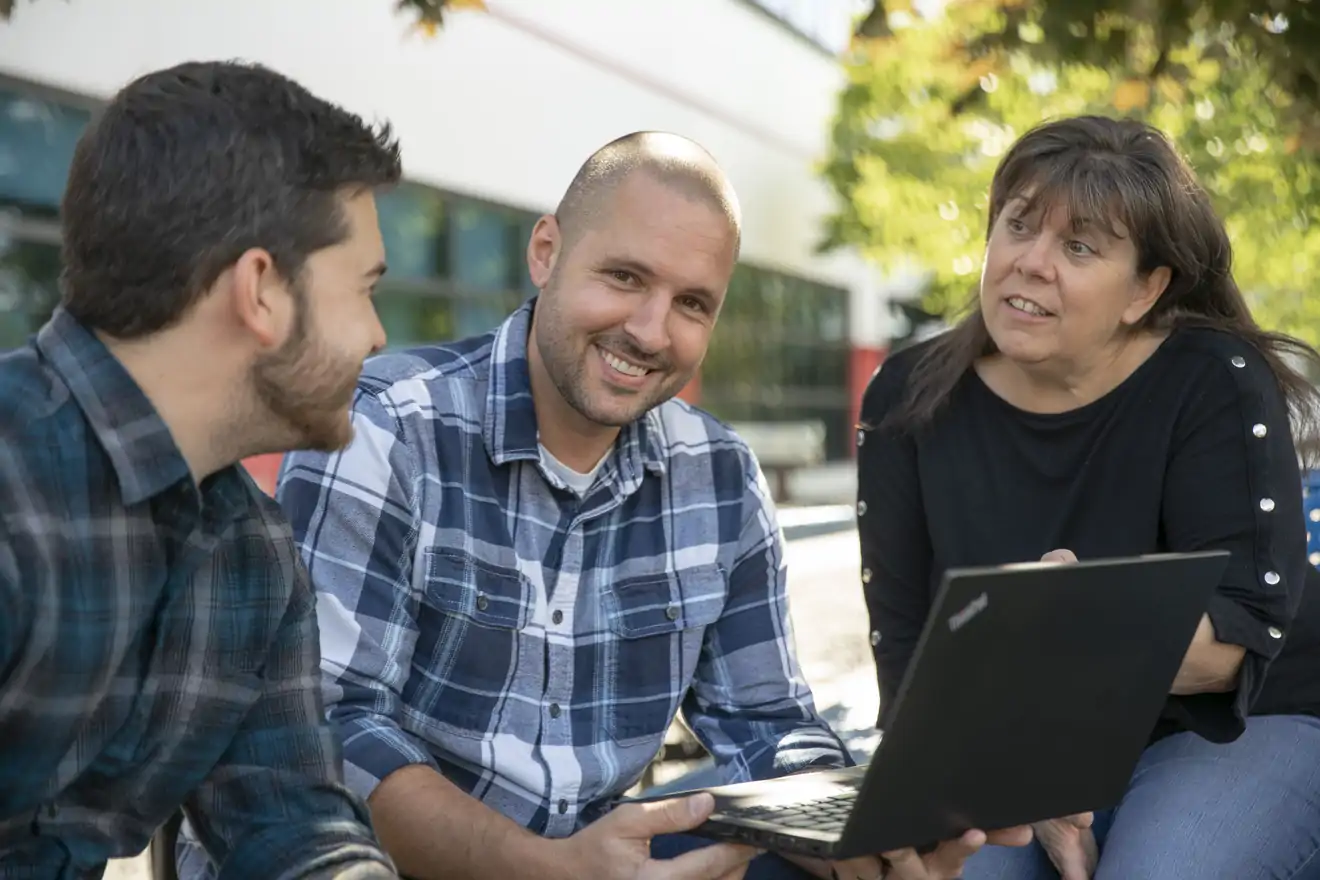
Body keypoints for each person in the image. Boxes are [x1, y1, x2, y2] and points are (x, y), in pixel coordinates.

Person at [255, 132, 1029, 880]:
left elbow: (770, 725)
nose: (650, 330)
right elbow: (331, 730)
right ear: (547, 252)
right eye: (625, 277)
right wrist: (548, 871)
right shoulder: (384, 426)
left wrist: (859, 833)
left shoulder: (718, 476)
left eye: (692, 303)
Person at [856, 114, 1320, 880]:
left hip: (1237, 725)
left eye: (1079, 247)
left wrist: (1069, 630)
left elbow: (1229, 652)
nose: (1031, 264)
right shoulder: (909, 397)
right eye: (1019, 225)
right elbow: (907, 658)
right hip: (1021, 741)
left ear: (1146, 288)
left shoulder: (1212, 380)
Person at [0, 60, 404, 878]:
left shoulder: (252, 552)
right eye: (363, 289)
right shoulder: (13, 486)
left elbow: (294, 827)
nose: (378, 335)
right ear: (260, 290)